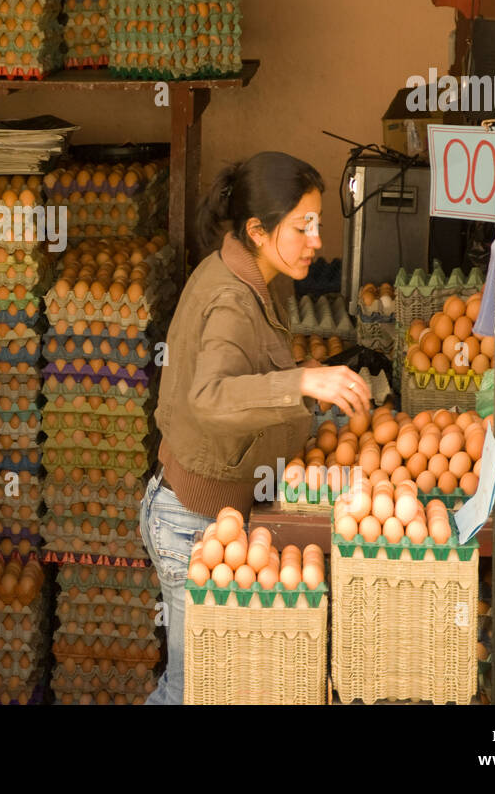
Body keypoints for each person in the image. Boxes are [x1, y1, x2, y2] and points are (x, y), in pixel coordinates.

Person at [140, 151, 372, 705]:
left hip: (211, 511)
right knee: (189, 691)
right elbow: (210, 396)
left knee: (207, 689)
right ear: (258, 231)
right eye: (302, 226)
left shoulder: (255, 277)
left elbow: (250, 377)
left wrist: (304, 381)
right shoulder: (231, 297)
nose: (316, 240)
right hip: (192, 520)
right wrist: (301, 382)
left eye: (317, 223)